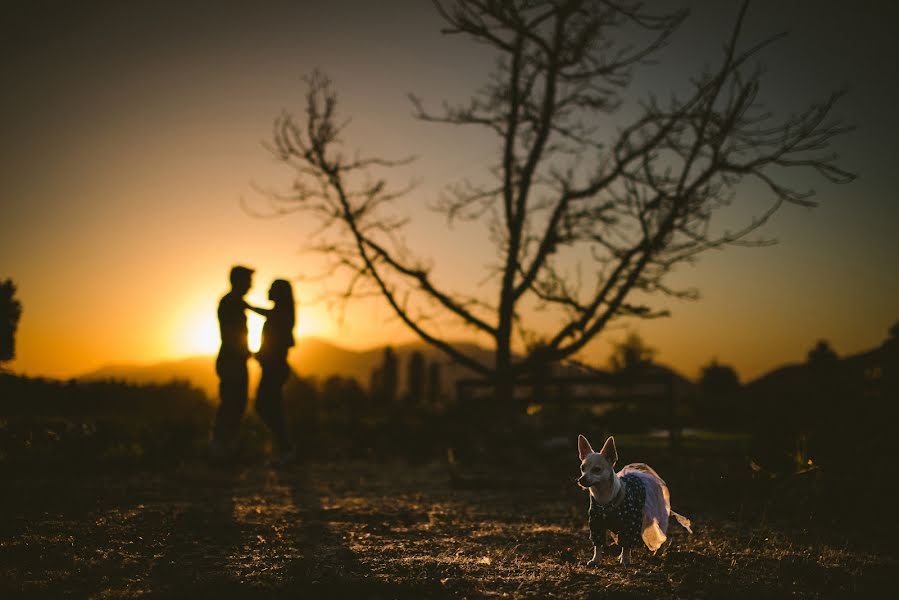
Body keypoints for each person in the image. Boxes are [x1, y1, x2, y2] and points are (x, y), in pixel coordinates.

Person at [247, 279, 297, 464]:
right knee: (271, 407)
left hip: (274, 368)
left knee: (266, 407)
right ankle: (284, 448)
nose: (267, 291)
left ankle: (285, 448)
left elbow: (275, 345)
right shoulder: (281, 314)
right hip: (274, 367)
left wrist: (247, 306)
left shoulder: (280, 315)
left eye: (271, 289)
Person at [211, 265, 254, 459]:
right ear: (239, 281)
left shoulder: (236, 302)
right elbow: (230, 334)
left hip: (235, 359)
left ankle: (226, 448)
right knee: (232, 403)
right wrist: (244, 352)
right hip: (232, 360)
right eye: (248, 280)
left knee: (236, 403)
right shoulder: (231, 302)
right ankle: (221, 449)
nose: (251, 285)